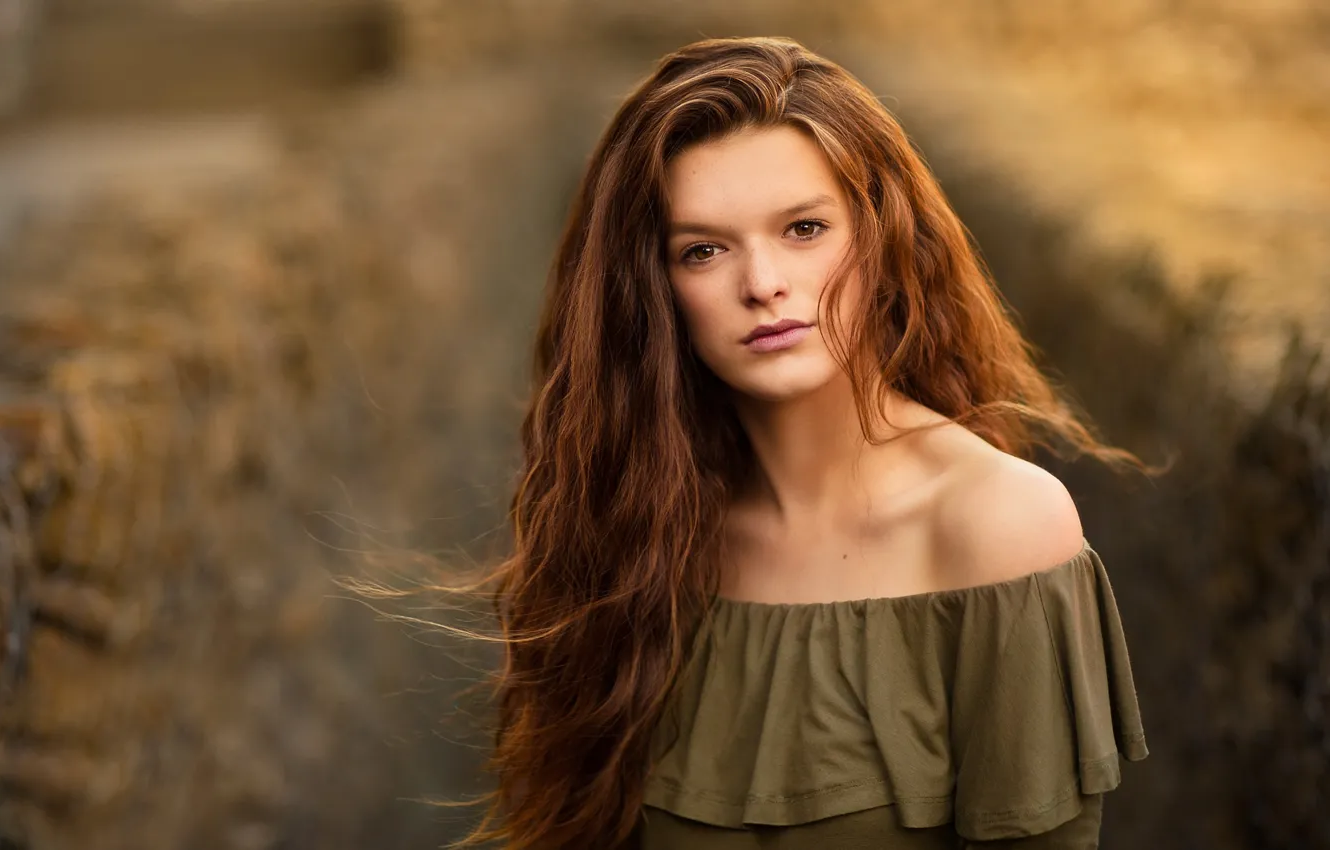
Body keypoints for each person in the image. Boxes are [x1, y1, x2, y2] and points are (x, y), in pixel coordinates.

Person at [446, 35, 1157, 850]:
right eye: (703, 250)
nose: (762, 284)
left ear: (882, 239)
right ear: (655, 291)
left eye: (805, 229)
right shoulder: (645, 534)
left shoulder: (997, 525)